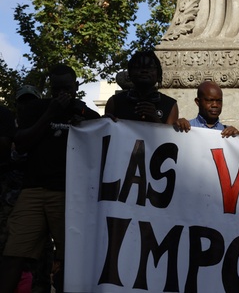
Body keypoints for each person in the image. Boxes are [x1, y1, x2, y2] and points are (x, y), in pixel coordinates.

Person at [0, 64, 100, 293]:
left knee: (70, 260)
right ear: (49, 88)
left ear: (76, 86)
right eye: (56, 89)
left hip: (69, 194)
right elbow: (22, 143)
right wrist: (49, 114)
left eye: (66, 88)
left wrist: (84, 122)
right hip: (33, 190)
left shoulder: (88, 115)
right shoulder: (36, 109)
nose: (61, 94)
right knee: (14, 254)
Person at [105, 50, 178, 124]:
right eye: (138, 67)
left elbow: (169, 135)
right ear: (130, 74)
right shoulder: (115, 102)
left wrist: (155, 118)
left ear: (158, 74)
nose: (144, 71)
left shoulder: (170, 105)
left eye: (150, 67)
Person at [173, 81, 239, 137]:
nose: (215, 105)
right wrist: (176, 127)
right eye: (210, 100)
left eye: (219, 101)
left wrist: (236, 138)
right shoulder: (185, 128)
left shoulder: (228, 133)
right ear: (198, 102)